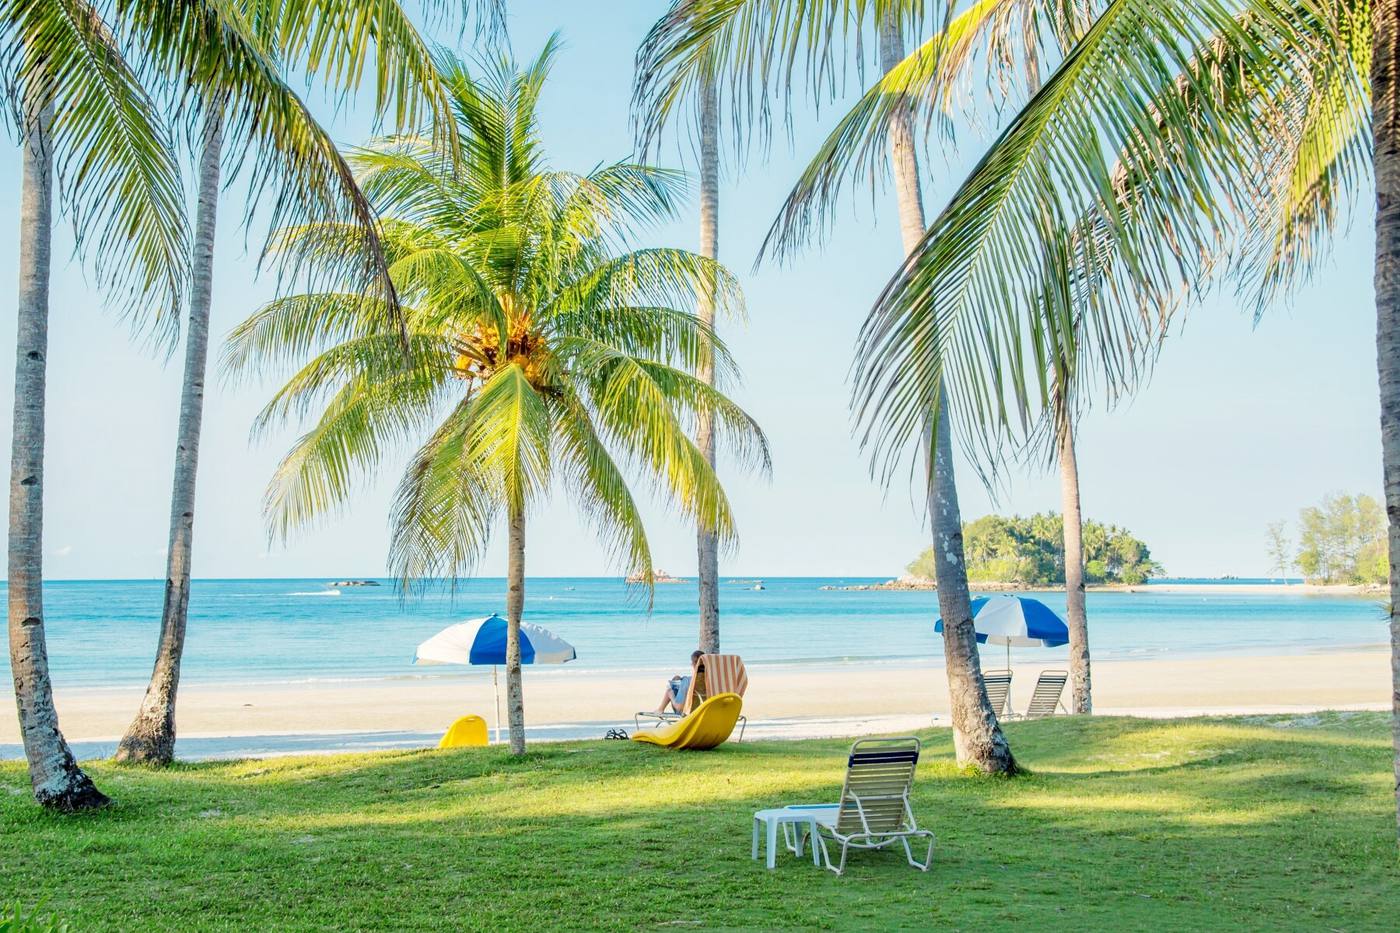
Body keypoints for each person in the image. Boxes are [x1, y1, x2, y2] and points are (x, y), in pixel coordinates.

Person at [655, 650, 705, 714]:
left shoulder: (688, 681)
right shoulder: (712, 682)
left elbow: (680, 707)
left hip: (688, 714)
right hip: (704, 711)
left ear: (693, 664)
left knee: (670, 689)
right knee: (677, 678)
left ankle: (660, 709)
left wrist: (671, 696)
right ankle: (660, 709)